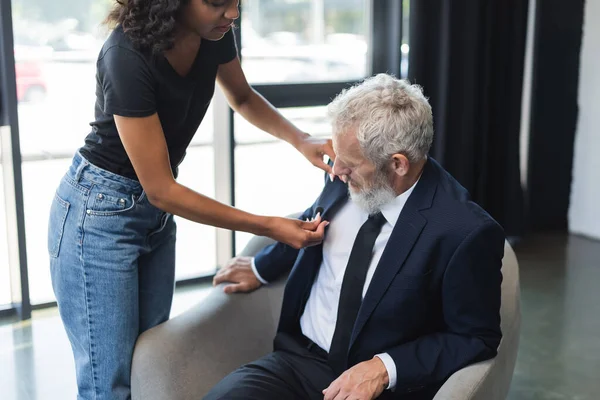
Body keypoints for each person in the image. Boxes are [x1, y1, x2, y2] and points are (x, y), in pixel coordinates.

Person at [47, 1, 333, 399]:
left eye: (236, 1)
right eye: (217, 2)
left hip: (154, 215)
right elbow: (161, 189)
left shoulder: (212, 32)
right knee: (109, 388)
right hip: (98, 213)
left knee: (148, 366)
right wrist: (270, 226)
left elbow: (243, 97)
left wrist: (302, 139)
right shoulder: (126, 56)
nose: (232, 13)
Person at [210, 74, 506, 400]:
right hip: (301, 361)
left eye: (348, 163)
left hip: (380, 388)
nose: (335, 171)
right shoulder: (345, 174)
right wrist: (261, 268)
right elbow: (313, 223)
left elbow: (476, 337)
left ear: (398, 164)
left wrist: (384, 368)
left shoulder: (465, 232)